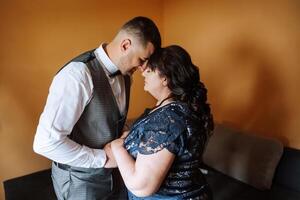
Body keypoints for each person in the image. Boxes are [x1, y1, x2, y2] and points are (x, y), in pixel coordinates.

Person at [33, 16, 161, 200]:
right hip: (80, 183)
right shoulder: (77, 75)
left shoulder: (126, 75)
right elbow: (45, 143)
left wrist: (125, 132)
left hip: (114, 178)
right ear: (125, 45)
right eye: (142, 59)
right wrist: (103, 159)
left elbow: (106, 120)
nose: (143, 68)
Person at [110, 45, 214, 200]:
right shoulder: (171, 110)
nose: (143, 72)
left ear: (165, 78)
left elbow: (141, 187)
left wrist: (117, 147)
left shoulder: (168, 120)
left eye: (150, 69)